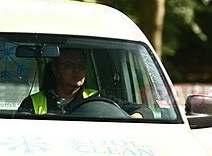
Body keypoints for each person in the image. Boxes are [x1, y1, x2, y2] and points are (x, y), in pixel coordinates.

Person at [17, 48, 151, 117]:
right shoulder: (32, 103)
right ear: (55, 69)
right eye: (69, 65)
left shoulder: (98, 98)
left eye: (81, 65)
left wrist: (132, 121)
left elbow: (144, 110)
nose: (77, 70)